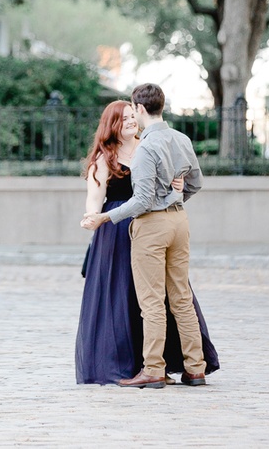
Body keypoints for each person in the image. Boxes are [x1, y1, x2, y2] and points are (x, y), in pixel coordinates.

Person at [75, 99, 218, 387]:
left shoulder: (151, 145)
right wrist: (94, 216)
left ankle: (164, 364)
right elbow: (95, 196)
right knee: (125, 298)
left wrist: (177, 186)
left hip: (153, 225)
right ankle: (128, 364)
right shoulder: (104, 158)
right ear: (111, 124)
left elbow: (176, 180)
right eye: (123, 118)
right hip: (116, 230)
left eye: (132, 116)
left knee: (161, 298)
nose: (130, 122)